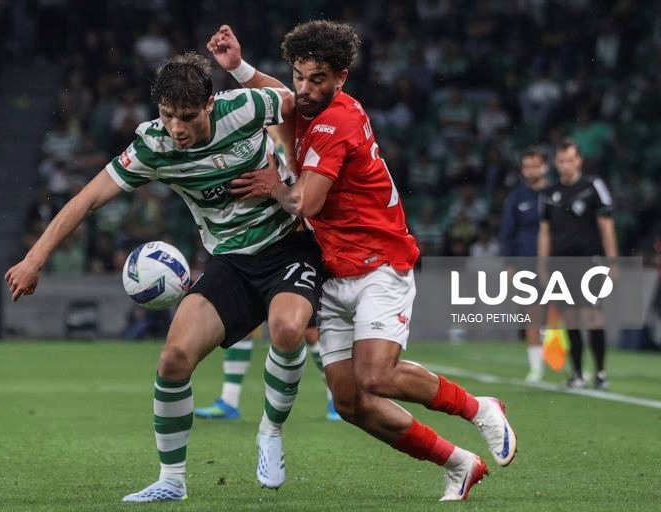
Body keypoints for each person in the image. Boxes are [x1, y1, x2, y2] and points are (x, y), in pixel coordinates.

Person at [208, 22, 517, 502]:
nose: (304, 88)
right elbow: (281, 96)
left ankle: (479, 408)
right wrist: (238, 67)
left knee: (376, 375)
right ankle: (458, 463)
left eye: (317, 79)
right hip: (334, 269)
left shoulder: (338, 122)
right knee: (350, 401)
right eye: (299, 76)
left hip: (379, 263)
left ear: (341, 78)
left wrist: (273, 186)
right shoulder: (307, 106)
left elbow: (306, 202)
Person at [5, 52, 324, 502]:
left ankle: (270, 432)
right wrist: (34, 258)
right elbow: (88, 198)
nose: (177, 128)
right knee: (173, 358)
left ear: (209, 104)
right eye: (168, 115)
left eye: (188, 117)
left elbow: (292, 104)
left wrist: (288, 168)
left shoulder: (245, 107)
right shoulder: (153, 146)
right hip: (230, 260)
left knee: (288, 330)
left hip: (289, 244)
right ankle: (171, 481)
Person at [538, 139, 618, 390]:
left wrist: (613, 262)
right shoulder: (549, 194)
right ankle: (577, 374)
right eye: (561, 160)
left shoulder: (593, 186)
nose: (566, 165)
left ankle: (601, 373)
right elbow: (545, 232)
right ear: (555, 163)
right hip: (561, 263)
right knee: (570, 318)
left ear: (579, 161)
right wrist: (542, 265)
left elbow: (606, 225)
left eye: (570, 160)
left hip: (590, 261)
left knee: (593, 316)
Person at [194, 316, 341, 421]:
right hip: (252, 280)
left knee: (309, 331)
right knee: (240, 326)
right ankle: (229, 401)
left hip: (284, 282)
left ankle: (335, 398)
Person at [499, 146, 548, 382]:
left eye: (535, 166)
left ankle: (573, 368)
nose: (530, 171)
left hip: (556, 262)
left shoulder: (555, 194)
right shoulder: (516, 197)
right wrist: (509, 265)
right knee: (532, 314)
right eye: (526, 166)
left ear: (544, 167)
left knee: (563, 316)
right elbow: (507, 233)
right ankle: (536, 369)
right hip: (526, 261)